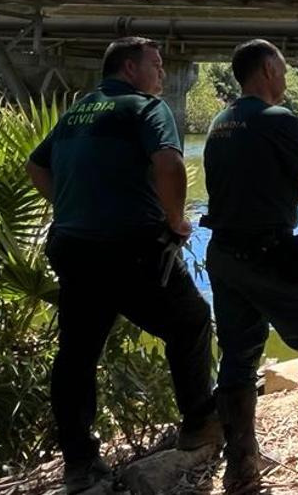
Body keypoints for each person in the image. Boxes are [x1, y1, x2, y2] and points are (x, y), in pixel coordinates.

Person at [25, 37, 222, 493]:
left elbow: (36, 167)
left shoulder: (78, 111)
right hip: (132, 247)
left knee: (77, 354)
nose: (162, 74)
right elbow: (170, 165)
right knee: (191, 320)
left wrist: (72, 207)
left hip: (74, 246)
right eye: (155, 65)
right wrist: (176, 221)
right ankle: (199, 422)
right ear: (130, 68)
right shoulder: (145, 108)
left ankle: (79, 463)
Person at [201, 39, 298, 492]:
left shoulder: (219, 122)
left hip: (223, 254)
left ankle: (241, 466)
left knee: (239, 356)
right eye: (283, 70)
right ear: (267, 69)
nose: (285, 80)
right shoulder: (278, 119)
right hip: (268, 253)